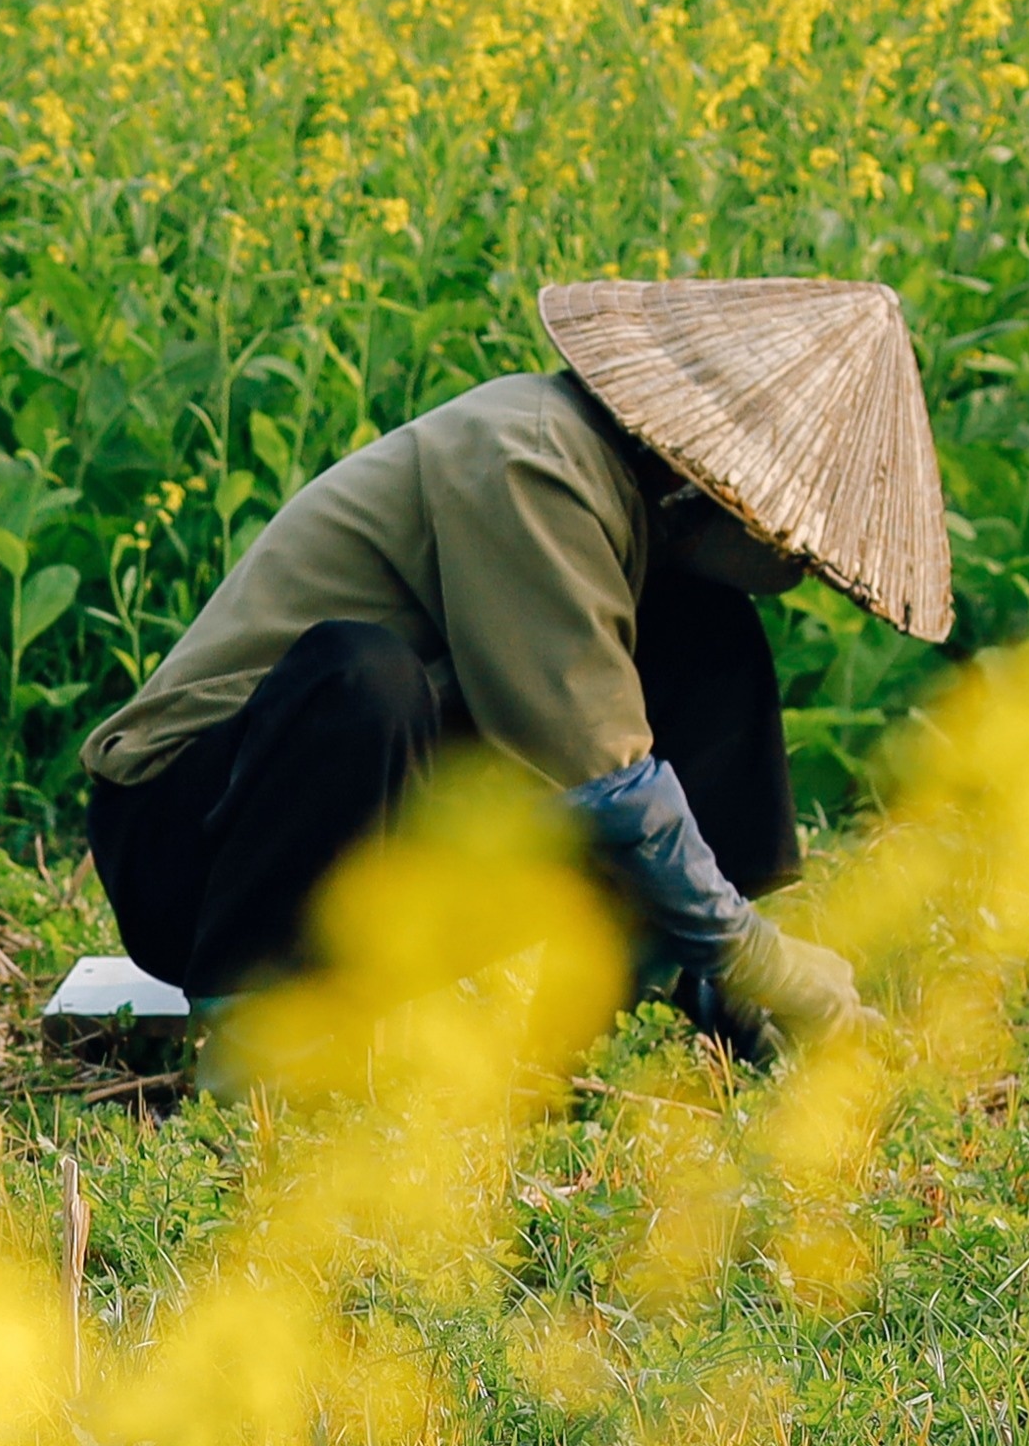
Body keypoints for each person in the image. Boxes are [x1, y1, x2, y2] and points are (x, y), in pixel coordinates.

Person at [76, 276, 954, 1059]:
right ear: (727, 495)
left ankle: (707, 1004)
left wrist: (750, 959)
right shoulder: (533, 458)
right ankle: (255, 1038)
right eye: (796, 552)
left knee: (706, 638)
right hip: (191, 849)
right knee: (362, 676)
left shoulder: (636, 532)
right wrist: (755, 952)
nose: (799, 575)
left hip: (377, 844)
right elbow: (604, 785)